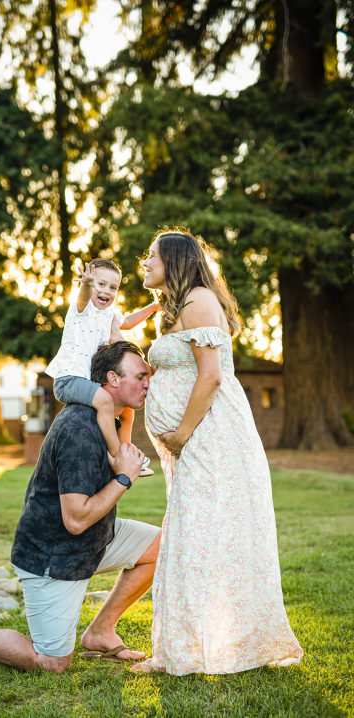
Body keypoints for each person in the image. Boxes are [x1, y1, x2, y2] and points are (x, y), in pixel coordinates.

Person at [0, 341, 161, 673]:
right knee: (52, 662)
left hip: (94, 540)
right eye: (141, 375)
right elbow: (75, 520)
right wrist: (124, 479)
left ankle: (101, 631)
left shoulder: (109, 419)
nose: (148, 382)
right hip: (54, 556)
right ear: (112, 380)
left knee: (163, 546)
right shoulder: (80, 431)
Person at [131, 230, 303, 675]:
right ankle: (181, 649)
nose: (144, 262)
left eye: (152, 256)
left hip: (210, 436)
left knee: (199, 535)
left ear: (175, 260)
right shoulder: (173, 309)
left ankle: (202, 649)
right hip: (193, 442)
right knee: (190, 535)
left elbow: (210, 377)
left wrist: (181, 435)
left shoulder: (199, 301)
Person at [45, 258, 160, 474]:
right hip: (69, 379)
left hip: (87, 381)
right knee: (106, 400)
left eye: (113, 287)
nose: (106, 290)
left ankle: (125, 448)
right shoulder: (82, 308)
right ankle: (118, 458)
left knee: (126, 409)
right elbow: (82, 298)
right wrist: (86, 284)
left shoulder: (109, 313)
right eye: (101, 284)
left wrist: (153, 307)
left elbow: (128, 321)